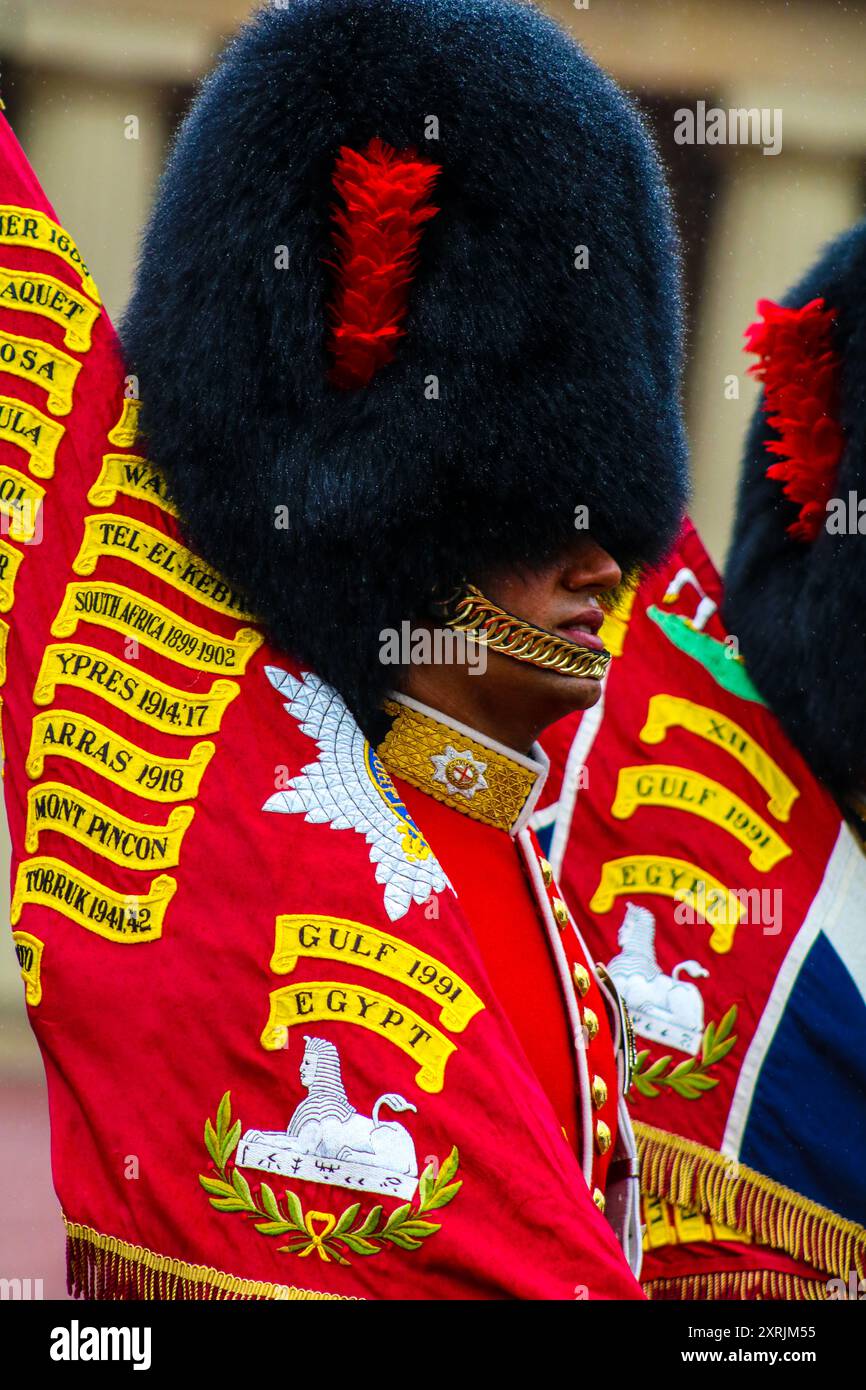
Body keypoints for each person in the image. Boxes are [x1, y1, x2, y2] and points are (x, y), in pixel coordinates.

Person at [1, 0, 687, 1299]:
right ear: (401, 530)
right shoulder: (258, 860)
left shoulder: (517, 860)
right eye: (534, 523)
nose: (601, 562)